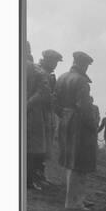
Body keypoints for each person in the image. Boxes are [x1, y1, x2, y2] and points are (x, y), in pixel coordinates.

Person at [54, 51, 98, 210]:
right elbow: (84, 108)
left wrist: (64, 115)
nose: (87, 68)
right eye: (86, 65)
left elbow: (55, 102)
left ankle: (78, 198)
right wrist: (93, 125)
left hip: (65, 121)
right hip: (79, 125)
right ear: (83, 65)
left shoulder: (61, 77)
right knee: (78, 163)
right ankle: (74, 202)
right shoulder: (81, 82)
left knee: (70, 162)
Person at [26, 41, 53, 190]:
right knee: (31, 149)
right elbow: (44, 92)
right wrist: (28, 103)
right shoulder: (37, 70)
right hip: (31, 113)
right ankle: (28, 181)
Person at [35, 49, 63, 185]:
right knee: (39, 143)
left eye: (56, 62)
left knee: (46, 144)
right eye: (53, 61)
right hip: (39, 111)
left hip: (48, 113)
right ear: (46, 59)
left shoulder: (49, 75)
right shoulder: (38, 72)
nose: (55, 65)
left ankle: (40, 173)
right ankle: (35, 174)